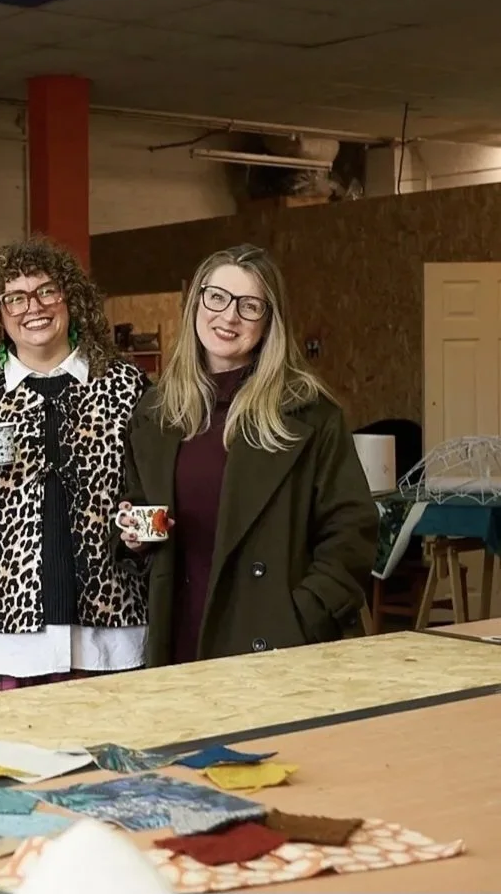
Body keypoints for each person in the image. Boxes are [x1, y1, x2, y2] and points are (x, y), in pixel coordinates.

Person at [0, 237, 149, 693]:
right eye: (14, 297)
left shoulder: (129, 388)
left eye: (46, 291)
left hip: (110, 631)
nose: (31, 307)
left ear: (70, 300)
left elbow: (156, 491)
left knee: (117, 765)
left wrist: (140, 527)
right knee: (7, 764)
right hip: (0, 637)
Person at [121, 243, 376, 667]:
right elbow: (141, 507)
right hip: (180, 640)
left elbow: (352, 531)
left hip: (276, 644)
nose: (229, 316)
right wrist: (135, 536)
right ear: (196, 302)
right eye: (217, 297)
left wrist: (300, 618)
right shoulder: (156, 413)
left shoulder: (308, 413)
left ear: (269, 320)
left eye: (250, 305)